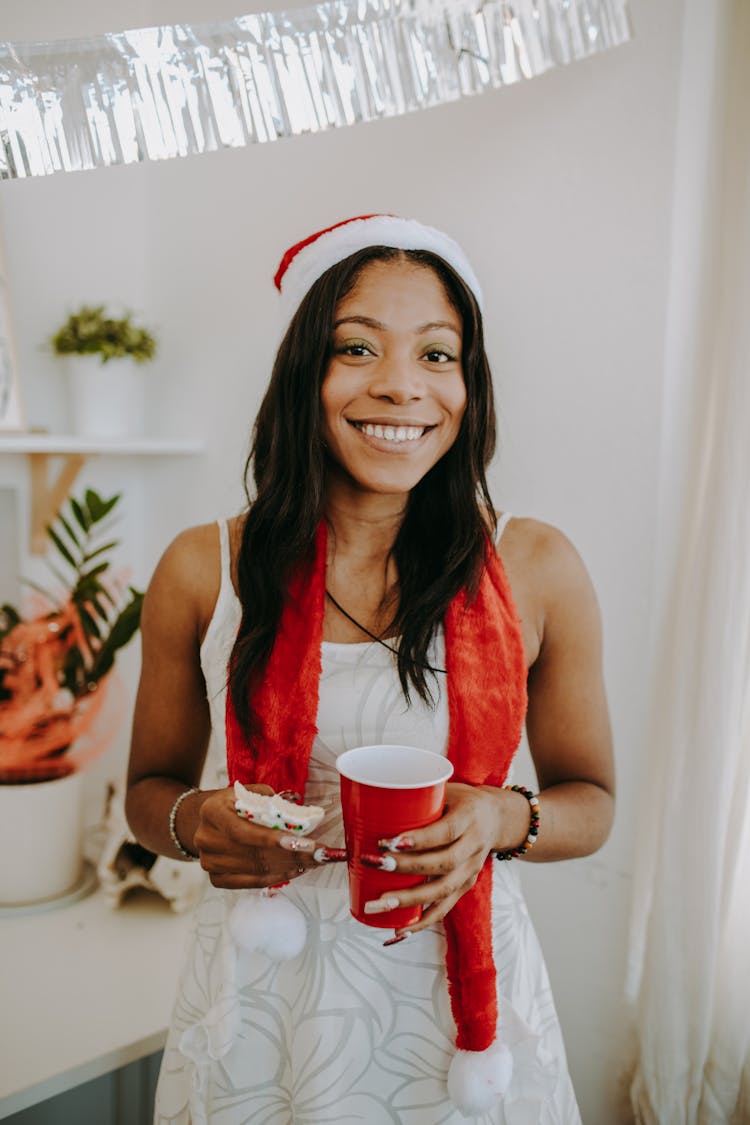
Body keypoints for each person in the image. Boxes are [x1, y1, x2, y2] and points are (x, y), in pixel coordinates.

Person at [126, 214, 614, 1124]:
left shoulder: (536, 566)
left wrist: (500, 816)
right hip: (266, 1005)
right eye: (358, 347)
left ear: (469, 386)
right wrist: (197, 822)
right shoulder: (204, 569)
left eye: (438, 355)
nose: (401, 386)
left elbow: (592, 802)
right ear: (305, 372)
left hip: (464, 1011)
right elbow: (148, 795)